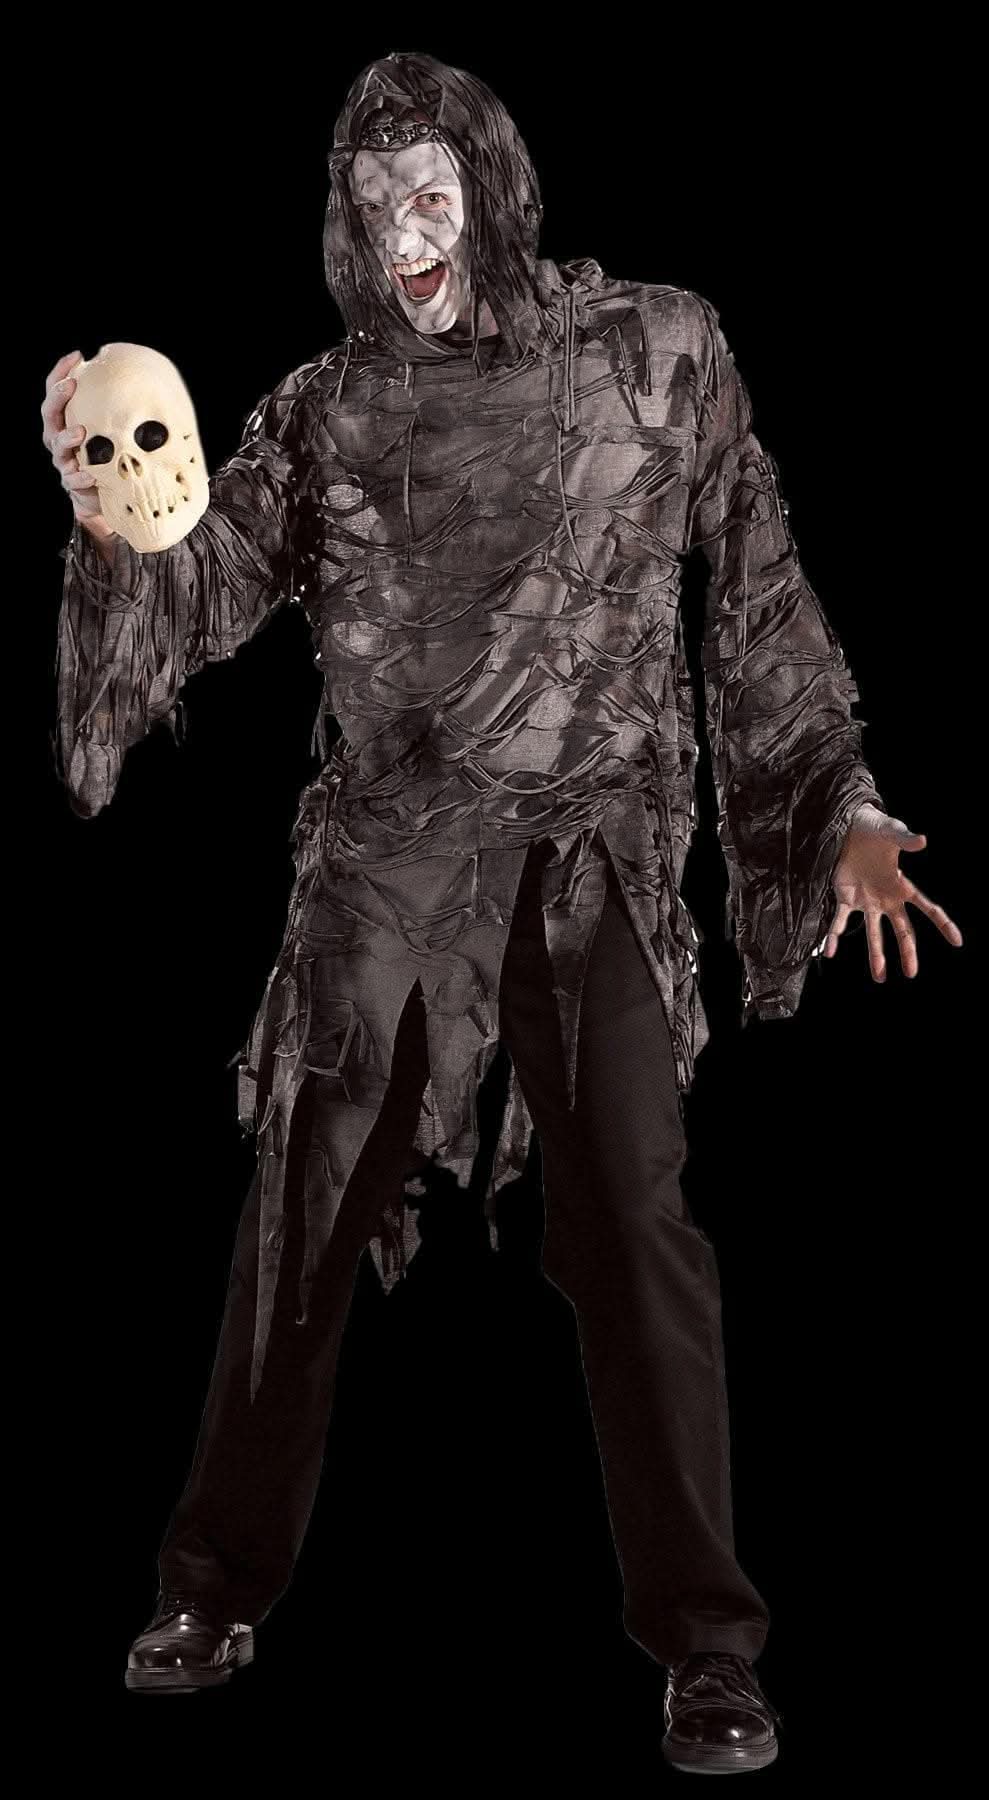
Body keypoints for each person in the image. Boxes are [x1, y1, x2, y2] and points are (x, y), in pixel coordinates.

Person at [44, 50, 961, 1773]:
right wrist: (115, 509)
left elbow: (754, 579)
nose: (403, 235)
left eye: (428, 194)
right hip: (386, 869)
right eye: (371, 205)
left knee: (633, 1218)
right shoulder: (326, 412)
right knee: (300, 1210)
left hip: (587, 859)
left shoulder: (654, 352)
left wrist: (835, 803)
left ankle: (709, 1649)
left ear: (492, 187)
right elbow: (201, 591)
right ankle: (210, 1586)